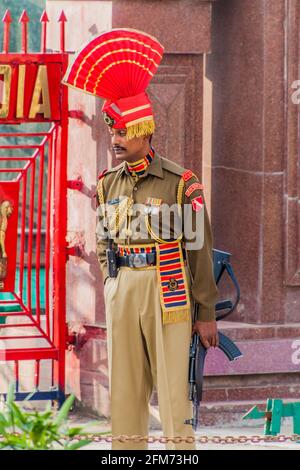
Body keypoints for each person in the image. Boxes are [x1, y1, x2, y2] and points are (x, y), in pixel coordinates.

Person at [63, 28, 219, 451]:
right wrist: (113, 284)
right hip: (123, 290)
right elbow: (102, 239)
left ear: (143, 130)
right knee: (126, 392)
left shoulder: (181, 184)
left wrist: (205, 313)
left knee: (173, 391)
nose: (113, 141)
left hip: (168, 291)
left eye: (120, 134)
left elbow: (199, 251)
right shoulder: (109, 183)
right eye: (111, 133)